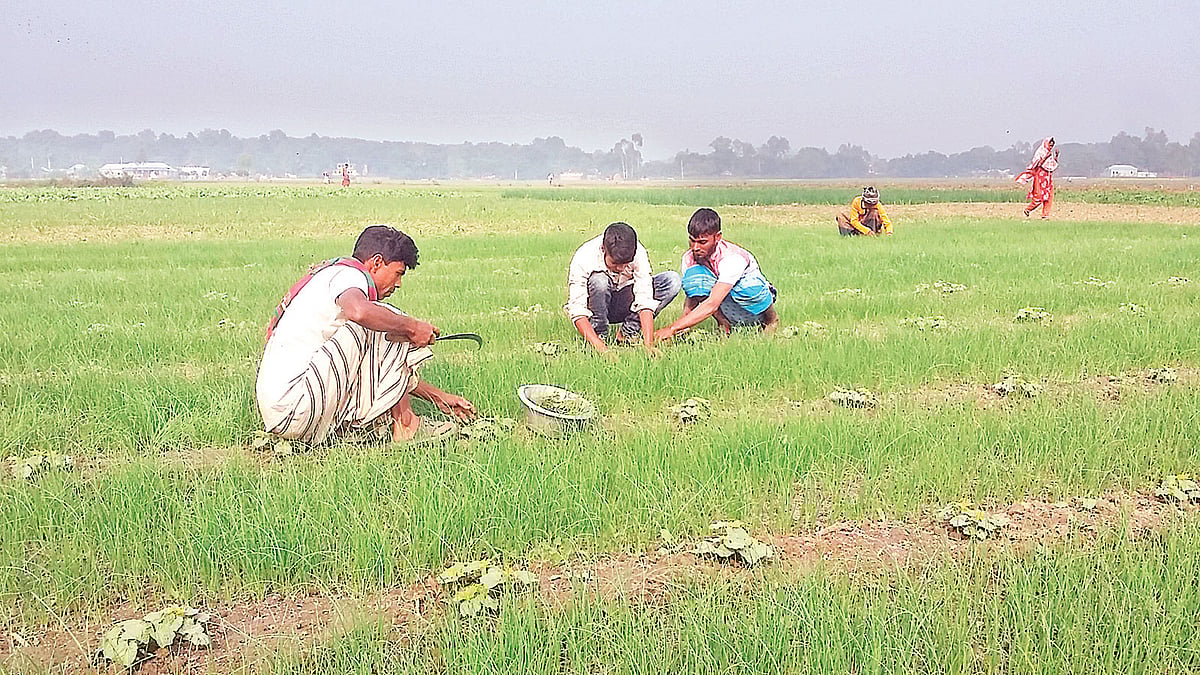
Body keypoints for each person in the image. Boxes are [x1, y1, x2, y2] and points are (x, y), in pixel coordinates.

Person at [256, 225, 476, 444]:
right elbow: (360, 312)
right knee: (386, 322)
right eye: (398, 274)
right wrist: (412, 327)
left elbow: (385, 365)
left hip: (286, 413)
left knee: (383, 322)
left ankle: (372, 425)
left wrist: (438, 397)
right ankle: (406, 425)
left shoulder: (331, 275)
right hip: (296, 406)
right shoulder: (349, 275)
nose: (398, 284)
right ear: (377, 262)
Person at [655, 208, 779, 341]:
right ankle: (724, 324)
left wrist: (672, 328)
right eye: (692, 240)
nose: (695, 247)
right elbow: (692, 296)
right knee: (695, 279)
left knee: (747, 287)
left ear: (717, 237)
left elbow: (712, 303)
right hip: (725, 301)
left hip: (751, 301)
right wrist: (681, 327)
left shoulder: (732, 258)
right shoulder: (689, 258)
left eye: (702, 242)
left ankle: (770, 320)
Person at [565, 222, 681, 355]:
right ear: (603, 249)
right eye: (615, 263)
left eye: (626, 263)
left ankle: (627, 333)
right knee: (599, 281)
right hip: (596, 304)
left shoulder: (638, 252)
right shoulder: (584, 256)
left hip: (626, 300)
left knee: (671, 281)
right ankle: (599, 337)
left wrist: (648, 345)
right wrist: (603, 351)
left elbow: (645, 297)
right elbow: (577, 310)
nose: (621, 268)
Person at [1016, 137, 1058, 219]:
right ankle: (1028, 209)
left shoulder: (1049, 154)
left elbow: (1051, 166)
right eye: (1050, 145)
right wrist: (1046, 157)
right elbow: (1037, 164)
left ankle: (1045, 215)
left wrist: (1056, 156)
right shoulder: (1041, 152)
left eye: (1052, 145)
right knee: (1039, 197)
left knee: (1049, 197)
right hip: (1040, 178)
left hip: (1047, 178)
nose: (1051, 147)